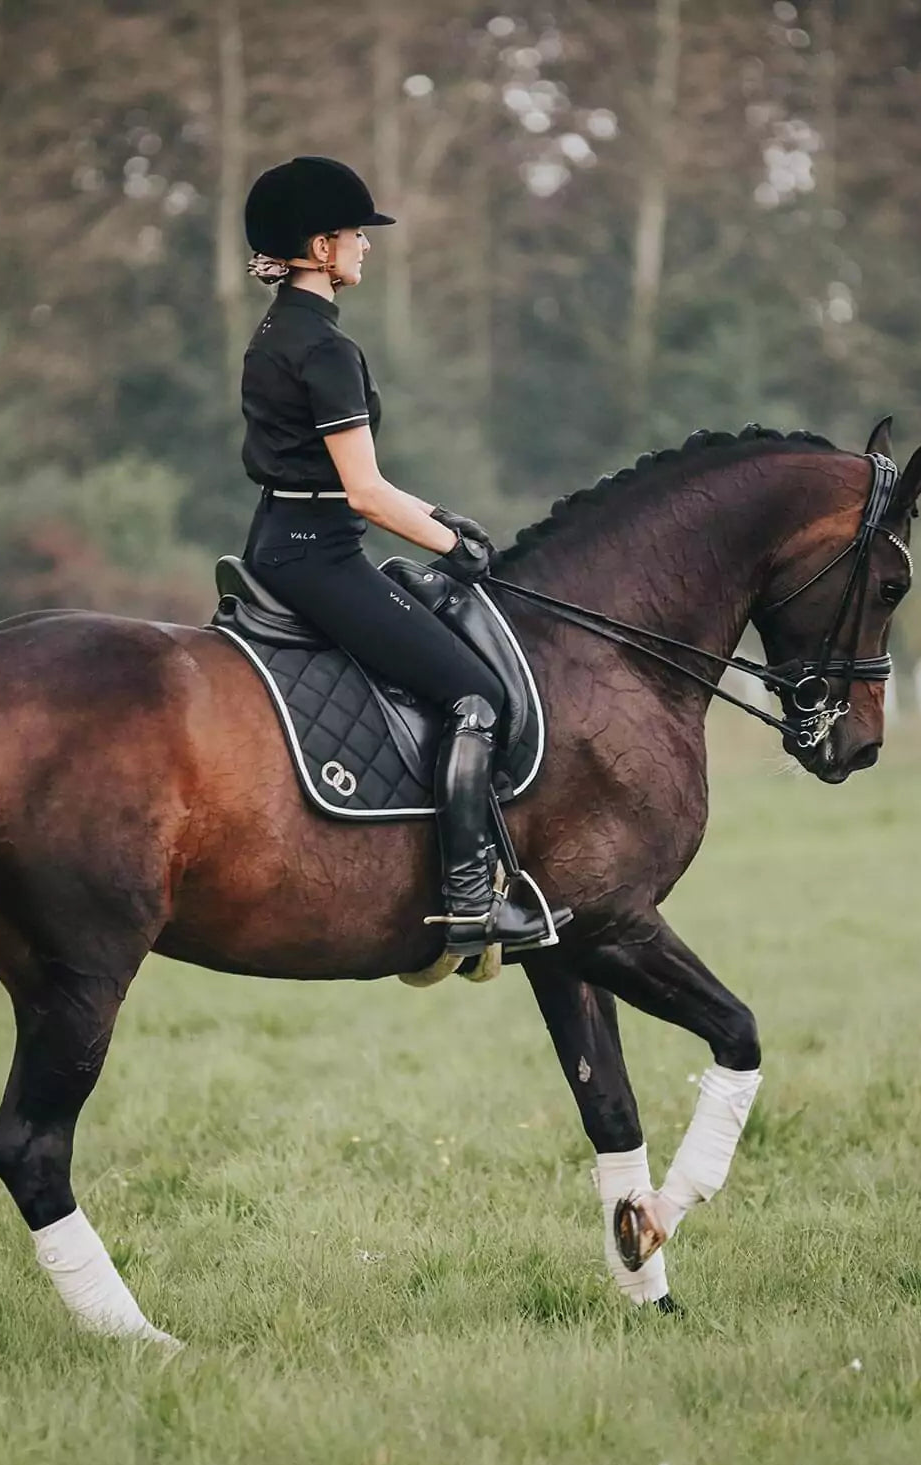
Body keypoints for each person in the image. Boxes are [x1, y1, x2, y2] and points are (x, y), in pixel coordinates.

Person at [239, 155, 554, 957]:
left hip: (282, 541)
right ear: (319, 246)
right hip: (320, 558)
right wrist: (455, 544)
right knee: (475, 696)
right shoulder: (329, 352)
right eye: (353, 235)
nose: (365, 247)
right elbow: (367, 494)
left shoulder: (277, 333)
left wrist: (444, 516)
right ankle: (470, 900)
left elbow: (356, 484)